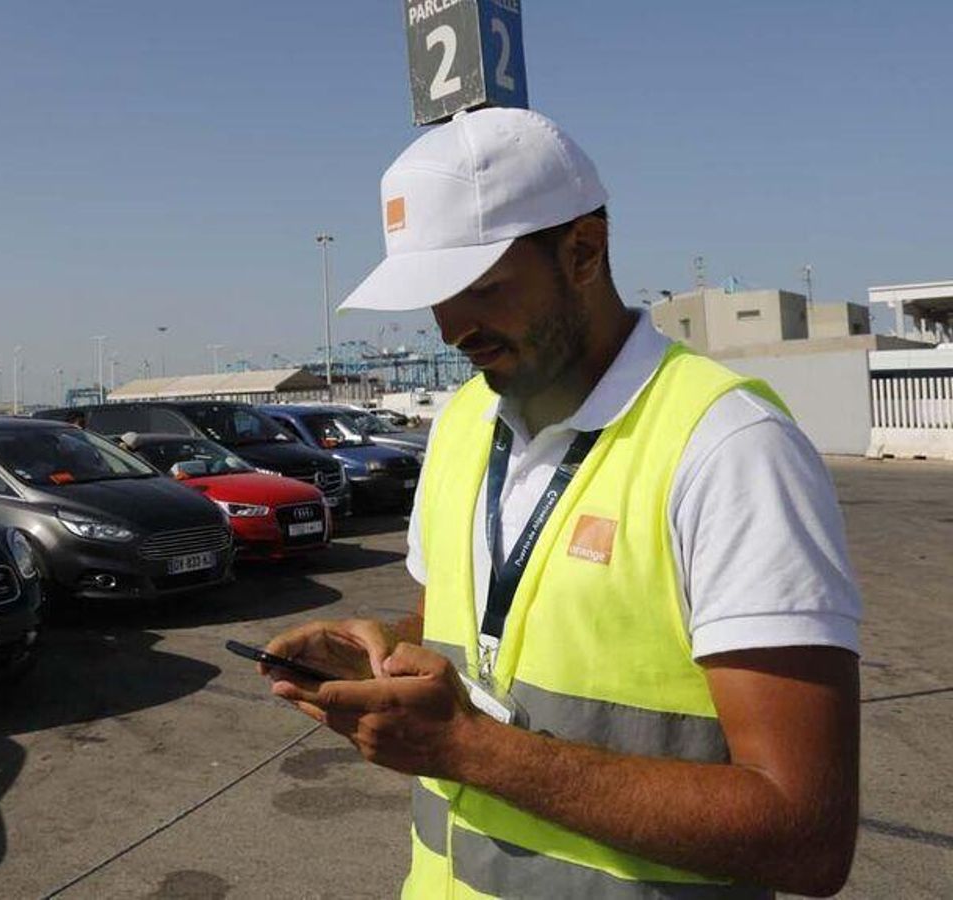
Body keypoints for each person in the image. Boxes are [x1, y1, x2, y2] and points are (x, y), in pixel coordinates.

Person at [260, 108, 861, 898]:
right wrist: (377, 654)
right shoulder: (461, 424)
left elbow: (806, 835)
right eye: (431, 294)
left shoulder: (728, 449)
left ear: (583, 251)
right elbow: (466, 635)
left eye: (477, 286)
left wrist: (469, 750)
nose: (450, 327)